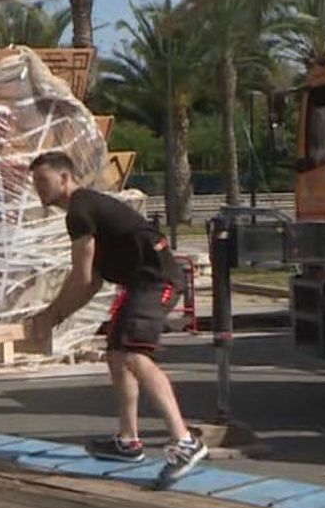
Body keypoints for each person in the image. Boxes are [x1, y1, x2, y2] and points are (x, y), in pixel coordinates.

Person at [25, 151, 207, 485]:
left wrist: (49, 318)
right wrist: (53, 317)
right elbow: (91, 283)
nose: (38, 188)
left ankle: (185, 441)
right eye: (34, 181)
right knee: (115, 355)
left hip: (157, 280)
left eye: (43, 180)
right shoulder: (86, 209)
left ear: (65, 178)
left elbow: (80, 279)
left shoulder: (79, 211)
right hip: (140, 283)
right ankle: (128, 440)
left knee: (135, 355)